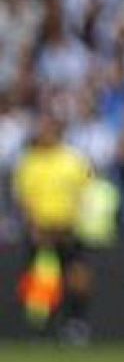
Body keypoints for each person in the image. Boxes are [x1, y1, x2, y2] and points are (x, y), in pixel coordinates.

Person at [12, 112, 94, 343]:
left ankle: (76, 323)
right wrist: (34, 225)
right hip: (40, 231)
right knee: (42, 281)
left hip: (67, 229)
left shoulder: (73, 160)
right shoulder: (30, 161)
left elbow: (86, 191)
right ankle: (41, 327)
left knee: (78, 277)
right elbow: (23, 197)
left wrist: (75, 220)